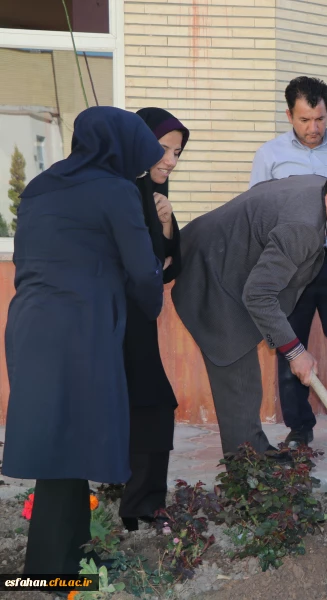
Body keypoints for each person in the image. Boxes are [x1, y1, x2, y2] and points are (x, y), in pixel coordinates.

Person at [2, 106, 164, 573]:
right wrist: (149, 297)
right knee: (64, 444)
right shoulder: (115, 190)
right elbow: (141, 267)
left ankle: (74, 555)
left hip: (31, 323)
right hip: (81, 327)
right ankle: (45, 574)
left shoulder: (39, 186)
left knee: (63, 438)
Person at [171, 162, 327, 457]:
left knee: (245, 378)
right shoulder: (303, 228)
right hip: (209, 272)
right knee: (237, 373)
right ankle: (246, 469)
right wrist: (296, 352)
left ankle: (255, 456)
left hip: (230, 264)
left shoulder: (324, 187)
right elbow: (258, 295)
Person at [250, 76, 327, 453]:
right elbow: (258, 212)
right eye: (304, 120)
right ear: (289, 115)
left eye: (319, 118)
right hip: (290, 266)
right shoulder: (269, 156)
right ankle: (299, 429)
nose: (313, 128)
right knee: (291, 345)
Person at [119, 107, 190, 531]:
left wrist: (165, 224)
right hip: (116, 319)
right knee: (150, 404)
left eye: (178, 152)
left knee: (149, 405)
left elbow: (167, 266)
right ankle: (140, 503)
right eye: (163, 149)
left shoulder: (151, 196)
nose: (170, 161)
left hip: (138, 321)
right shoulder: (121, 190)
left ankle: (141, 504)